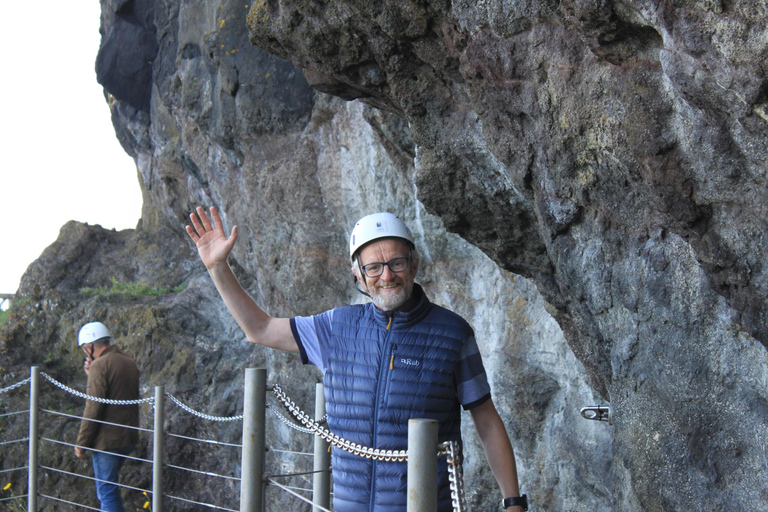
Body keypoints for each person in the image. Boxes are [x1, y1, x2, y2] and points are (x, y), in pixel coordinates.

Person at [186, 206, 527, 512]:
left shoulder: (453, 334)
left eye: (396, 263)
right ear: (358, 275)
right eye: (374, 267)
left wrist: (513, 502)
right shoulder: (336, 327)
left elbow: (485, 418)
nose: (387, 275)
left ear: (414, 264)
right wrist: (218, 268)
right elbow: (258, 329)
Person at [74, 321, 140, 512]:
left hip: (107, 440)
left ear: (89, 346)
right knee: (110, 489)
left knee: (107, 492)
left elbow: (93, 408)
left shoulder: (100, 365)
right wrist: (91, 375)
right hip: (128, 436)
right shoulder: (128, 360)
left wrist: (81, 443)